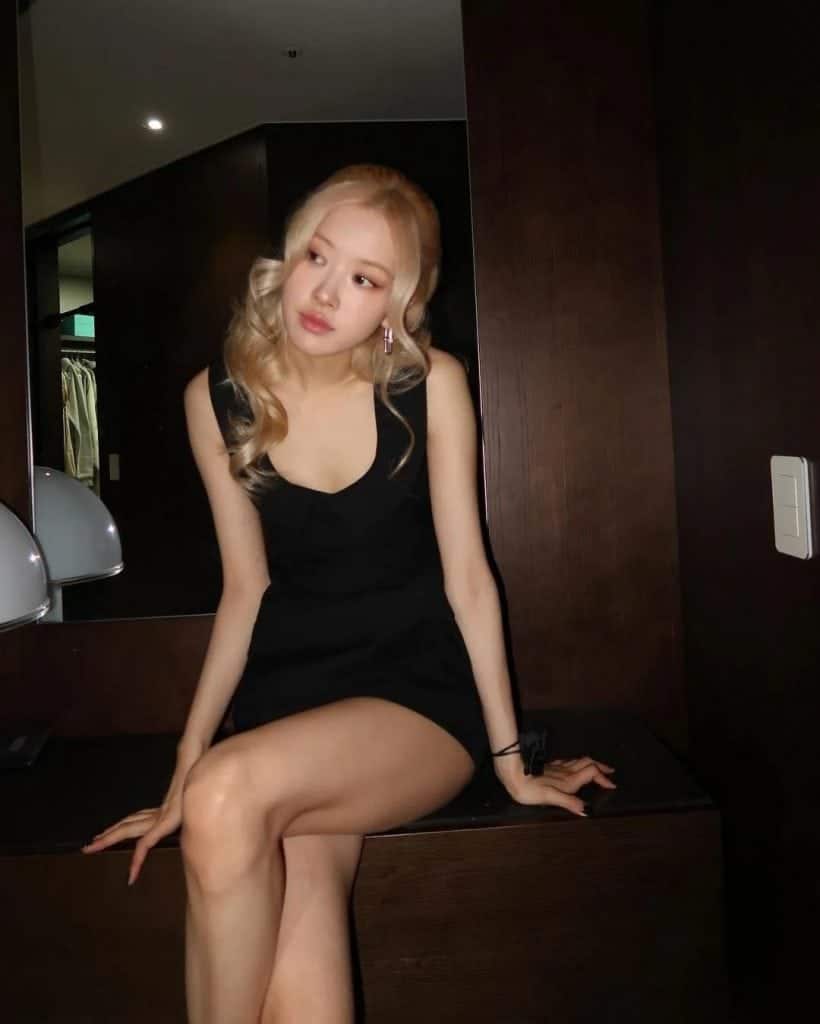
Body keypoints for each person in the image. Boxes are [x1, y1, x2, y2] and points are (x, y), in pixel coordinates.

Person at [82, 164, 617, 1023]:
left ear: (395, 305)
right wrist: (186, 764)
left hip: (416, 702)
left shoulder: (430, 385)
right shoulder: (215, 400)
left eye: (364, 279)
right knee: (299, 975)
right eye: (318, 257)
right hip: (288, 716)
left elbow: (470, 582)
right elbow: (246, 589)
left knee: (226, 794)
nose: (327, 293)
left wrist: (511, 762)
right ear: (289, 258)